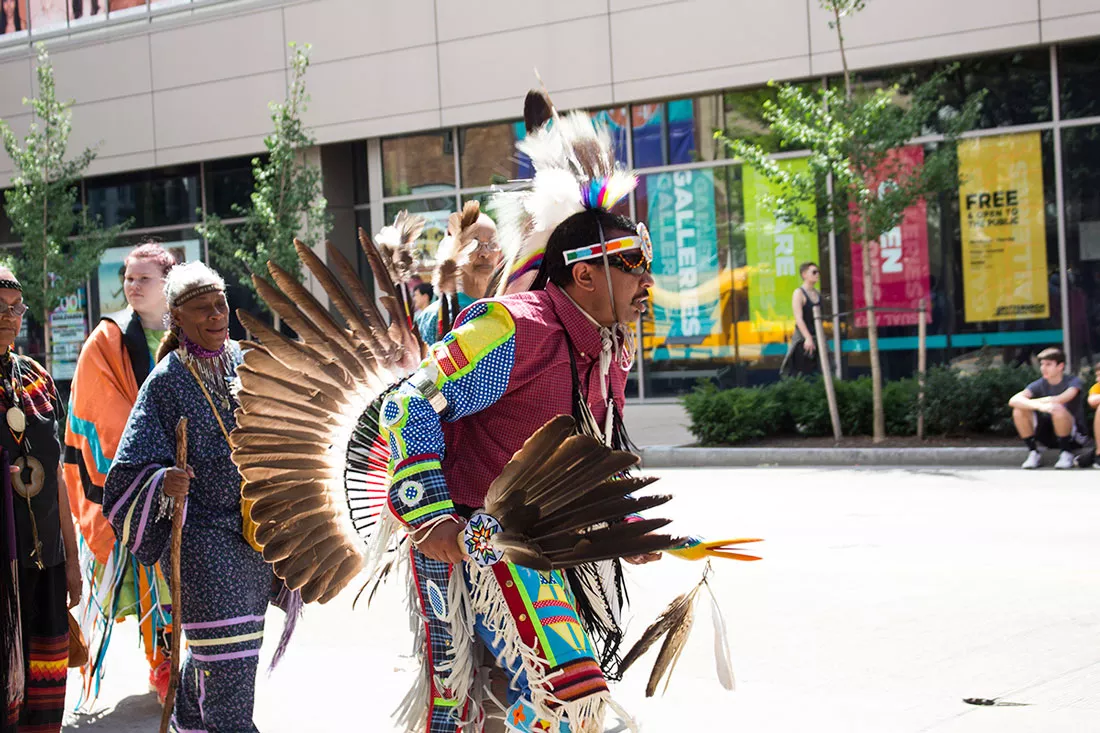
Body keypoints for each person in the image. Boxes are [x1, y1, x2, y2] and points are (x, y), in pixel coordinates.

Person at [383, 109, 660, 733]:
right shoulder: (513, 327)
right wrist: (429, 517)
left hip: (538, 541)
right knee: (467, 704)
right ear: (584, 274)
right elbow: (411, 401)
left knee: (559, 693)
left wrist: (624, 519)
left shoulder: (605, 348)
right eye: (633, 267)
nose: (647, 282)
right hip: (465, 539)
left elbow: (594, 447)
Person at [102, 262, 274, 732]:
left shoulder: (247, 363)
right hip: (201, 542)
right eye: (203, 308)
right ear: (177, 317)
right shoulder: (165, 381)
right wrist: (162, 482)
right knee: (230, 679)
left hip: (254, 539)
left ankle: (187, 725)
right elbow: (125, 475)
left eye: (221, 304)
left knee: (217, 664)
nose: (218, 315)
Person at [64, 242, 176, 705]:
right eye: (128, 278)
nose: (132, 286)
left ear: (168, 283)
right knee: (152, 572)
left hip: (191, 479)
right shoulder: (107, 338)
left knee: (189, 574)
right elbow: (96, 410)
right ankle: (163, 661)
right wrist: (148, 451)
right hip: (139, 482)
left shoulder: (190, 329)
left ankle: (189, 657)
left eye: (143, 278)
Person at [0, 268, 81, 732]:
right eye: (1, 307)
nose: (11, 317)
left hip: (45, 561)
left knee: (45, 694)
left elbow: (58, 478)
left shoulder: (36, 378)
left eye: (17, 307)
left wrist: (72, 561)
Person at [416, 205, 503, 344]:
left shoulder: (509, 310)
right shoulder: (435, 317)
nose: (485, 253)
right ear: (455, 249)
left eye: (492, 244)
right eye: (474, 244)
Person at [1009, 347, 1089, 469]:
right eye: (1042, 364)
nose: (1043, 368)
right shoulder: (1039, 383)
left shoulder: (1073, 381)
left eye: (1048, 364)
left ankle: (1066, 452)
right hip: (1048, 434)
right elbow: (1014, 400)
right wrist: (1039, 406)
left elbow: (1062, 398)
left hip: (1074, 436)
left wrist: (1043, 403)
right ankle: (1033, 452)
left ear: (1060, 366)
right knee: (1019, 409)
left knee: (1056, 407)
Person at [780, 261, 821, 377]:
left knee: (820, 373)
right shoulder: (799, 293)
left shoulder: (817, 293)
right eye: (814, 272)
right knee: (802, 374)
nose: (817, 274)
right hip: (803, 341)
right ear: (804, 275)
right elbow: (798, 318)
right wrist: (807, 337)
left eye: (818, 272)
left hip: (817, 339)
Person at [1088, 362, 1100, 469]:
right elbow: (1092, 401)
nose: (1097, 379)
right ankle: (1099, 453)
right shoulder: (1097, 387)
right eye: (1097, 375)